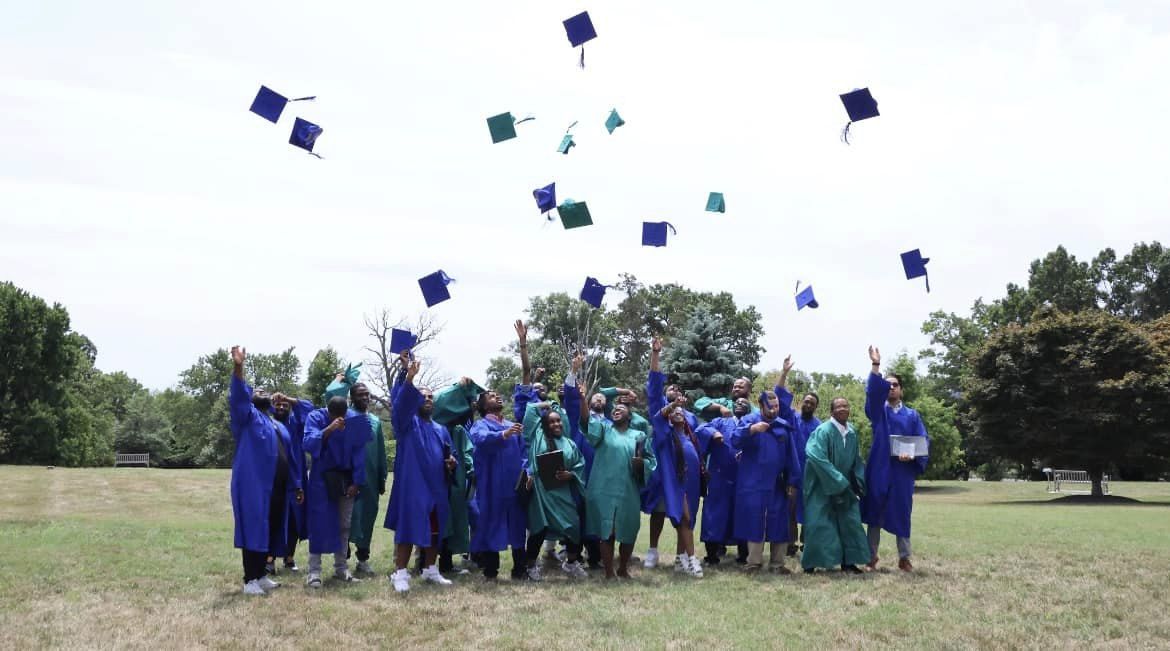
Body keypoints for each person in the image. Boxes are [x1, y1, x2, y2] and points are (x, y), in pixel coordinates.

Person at [383, 353, 457, 592]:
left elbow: (449, 453)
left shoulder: (441, 429)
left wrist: (451, 462)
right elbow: (401, 405)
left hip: (437, 485)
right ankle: (401, 573)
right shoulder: (406, 423)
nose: (427, 399)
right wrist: (409, 379)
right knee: (408, 527)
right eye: (422, 396)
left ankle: (430, 569)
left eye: (430, 397)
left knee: (435, 528)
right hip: (414, 484)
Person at [228, 345, 293, 595]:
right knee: (255, 525)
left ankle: (262, 574)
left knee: (272, 525)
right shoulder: (246, 416)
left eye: (265, 390)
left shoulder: (274, 423)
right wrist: (238, 367)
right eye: (258, 390)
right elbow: (238, 396)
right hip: (254, 483)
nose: (263, 392)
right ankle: (250, 580)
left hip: (276, 486)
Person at [862, 346, 930, 572]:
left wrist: (910, 455)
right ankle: (871, 556)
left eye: (895, 385)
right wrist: (875, 366)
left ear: (901, 390)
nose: (891, 388)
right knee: (874, 512)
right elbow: (872, 393)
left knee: (901, 512)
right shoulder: (877, 411)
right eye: (888, 385)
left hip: (902, 470)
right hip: (880, 468)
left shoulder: (912, 415)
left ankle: (904, 557)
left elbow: (922, 440)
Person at [580, 380, 657, 579]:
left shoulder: (639, 435)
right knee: (607, 531)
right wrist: (582, 399)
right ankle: (608, 572)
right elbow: (586, 422)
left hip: (627, 490)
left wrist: (643, 465)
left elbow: (650, 461)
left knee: (629, 529)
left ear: (629, 415)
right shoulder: (604, 431)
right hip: (603, 489)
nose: (616, 410)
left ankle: (623, 567)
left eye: (621, 408)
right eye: (614, 408)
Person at [645, 337, 704, 578]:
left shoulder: (690, 432)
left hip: (688, 482)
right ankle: (672, 555)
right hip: (668, 479)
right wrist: (656, 355)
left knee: (686, 520)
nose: (677, 411)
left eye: (681, 410)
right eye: (674, 410)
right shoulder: (663, 430)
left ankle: (683, 558)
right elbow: (654, 389)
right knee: (671, 515)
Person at [523, 371, 588, 580]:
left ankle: (570, 563)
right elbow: (530, 409)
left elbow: (579, 463)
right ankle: (531, 566)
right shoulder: (537, 434)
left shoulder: (568, 442)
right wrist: (548, 404)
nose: (556, 424)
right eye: (551, 422)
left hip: (562, 491)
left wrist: (571, 474)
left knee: (573, 526)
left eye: (558, 421)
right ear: (544, 424)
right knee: (539, 528)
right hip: (542, 491)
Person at [302, 394, 372, 588]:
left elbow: (359, 453)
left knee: (344, 524)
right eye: (334, 415)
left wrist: (356, 482)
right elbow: (308, 443)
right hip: (321, 478)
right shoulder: (315, 417)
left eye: (341, 415)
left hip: (346, 478)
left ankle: (341, 568)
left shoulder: (354, 420)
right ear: (328, 410)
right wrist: (329, 429)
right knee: (318, 523)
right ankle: (314, 571)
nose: (338, 418)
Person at [731, 390, 802, 573]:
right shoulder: (749, 421)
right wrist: (752, 430)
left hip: (776, 483)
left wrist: (792, 481)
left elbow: (791, 457)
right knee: (754, 520)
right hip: (752, 482)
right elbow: (734, 440)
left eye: (777, 406)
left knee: (779, 520)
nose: (774, 410)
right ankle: (754, 562)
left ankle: (778, 564)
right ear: (761, 405)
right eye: (770, 407)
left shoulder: (783, 427)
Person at [801, 397, 869, 574]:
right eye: (838, 407)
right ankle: (811, 563)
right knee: (819, 524)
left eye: (846, 406)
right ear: (831, 411)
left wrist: (857, 484)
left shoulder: (852, 432)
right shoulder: (822, 431)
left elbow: (856, 460)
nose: (843, 409)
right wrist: (838, 480)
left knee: (850, 522)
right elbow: (815, 456)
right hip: (821, 485)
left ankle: (849, 562)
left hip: (845, 486)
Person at [467, 387, 529, 581]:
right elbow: (481, 440)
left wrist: (527, 473)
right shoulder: (480, 425)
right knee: (491, 524)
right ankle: (491, 571)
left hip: (514, 486)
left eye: (498, 395)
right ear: (484, 405)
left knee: (518, 526)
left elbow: (524, 454)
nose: (498, 397)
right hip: (491, 486)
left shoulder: (513, 426)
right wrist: (504, 434)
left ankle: (520, 569)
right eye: (492, 396)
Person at [773, 355, 820, 557]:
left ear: (816, 407)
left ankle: (807, 543)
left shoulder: (820, 427)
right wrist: (784, 373)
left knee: (810, 511)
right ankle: (790, 544)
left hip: (811, 476)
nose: (808, 404)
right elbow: (780, 396)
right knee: (790, 511)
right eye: (806, 401)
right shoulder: (792, 418)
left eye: (812, 403)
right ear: (801, 403)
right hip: (793, 472)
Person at [694, 398, 750, 566]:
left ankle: (743, 555)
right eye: (737, 402)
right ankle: (712, 555)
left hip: (744, 478)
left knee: (742, 514)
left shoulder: (752, 424)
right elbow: (701, 428)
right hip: (720, 476)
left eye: (744, 402)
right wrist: (713, 433)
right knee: (715, 514)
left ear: (750, 408)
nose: (740, 403)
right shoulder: (721, 422)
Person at [348, 382, 388, 576]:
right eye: (360, 395)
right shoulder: (345, 417)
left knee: (368, 518)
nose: (365, 398)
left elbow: (380, 451)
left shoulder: (375, 420)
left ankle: (362, 559)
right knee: (348, 516)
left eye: (367, 394)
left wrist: (382, 477)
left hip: (370, 479)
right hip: (349, 478)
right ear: (352, 398)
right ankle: (342, 556)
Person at [271, 391, 313, 574]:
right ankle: (269, 559)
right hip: (274, 477)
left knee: (295, 519)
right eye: (277, 405)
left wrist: (289, 398)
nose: (280, 407)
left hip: (296, 477)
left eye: (284, 405)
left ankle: (289, 558)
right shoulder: (268, 424)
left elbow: (309, 409)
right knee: (274, 517)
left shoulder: (295, 424)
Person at [439, 391, 477, 575]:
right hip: (441, 481)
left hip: (455, 481)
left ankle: (443, 563)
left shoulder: (458, 430)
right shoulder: (438, 427)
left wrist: (470, 471)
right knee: (440, 521)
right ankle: (428, 562)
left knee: (450, 521)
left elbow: (467, 453)